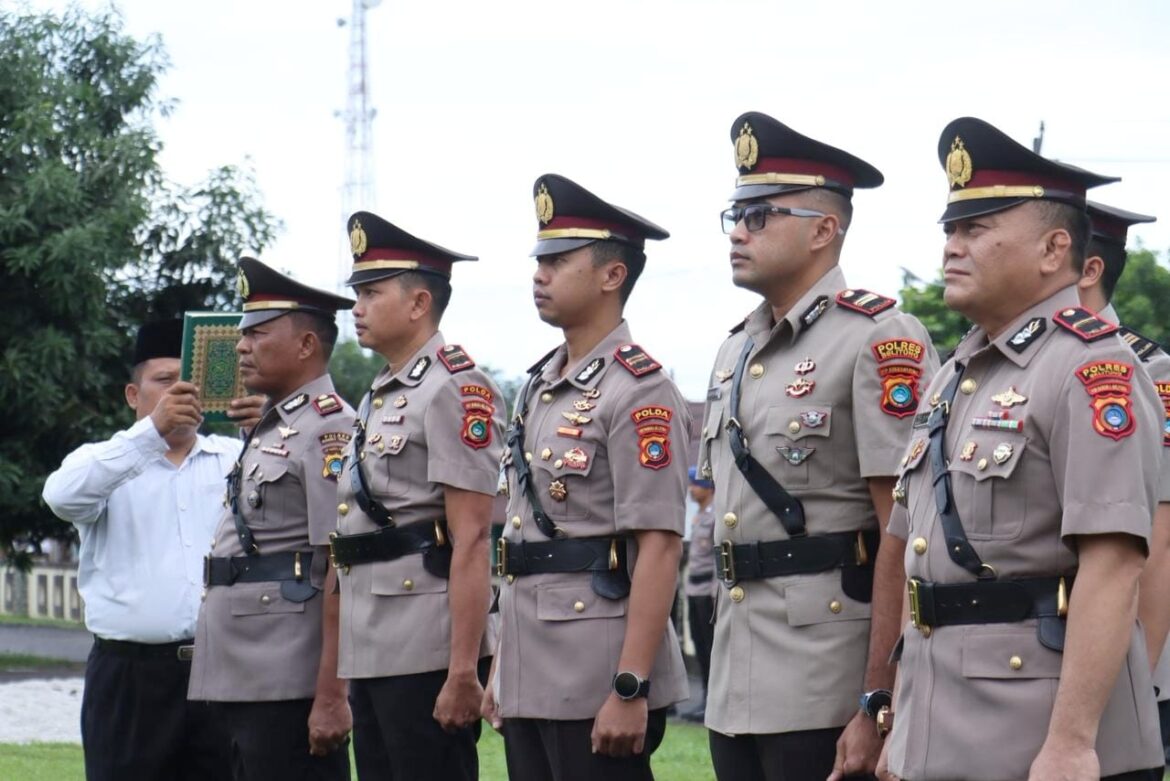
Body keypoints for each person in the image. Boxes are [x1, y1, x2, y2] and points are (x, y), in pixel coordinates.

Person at [880, 117, 1164, 781]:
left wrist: (1072, 742)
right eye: (950, 230)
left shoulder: (1091, 367)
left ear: (1053, 248)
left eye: (975, 229)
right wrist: (898, 718)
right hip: (941, 727)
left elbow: (1114, 563)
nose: (951, 247)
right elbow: (919, 565)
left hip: (1036, 740)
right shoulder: (955, 375)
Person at [700, 111, 938, 781]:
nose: (738, 232)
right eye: (735, 215)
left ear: (823, 229)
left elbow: (902, 531)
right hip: (735, 674)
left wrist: (878, 699)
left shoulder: (878, 336)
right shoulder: (733, 351)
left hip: (826, 680)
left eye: (759, 216)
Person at [481, 173, 691, 781]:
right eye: (538, 261)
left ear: (611, 275)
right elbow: (522, 544)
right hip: (530, 664)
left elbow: (658, 546)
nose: (539, 275)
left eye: (557, 261)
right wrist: (503, 667)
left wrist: (630, 685)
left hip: (596, 668)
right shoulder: (540, 386)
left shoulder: (639, 389)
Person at [42, 319, 262, 781]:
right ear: (132, 395)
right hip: (130, 676)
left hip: (223, 670)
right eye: (164, 381)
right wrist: (152, 433)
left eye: (191, 382)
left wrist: (269, 429)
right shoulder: (104, 462)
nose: (181, 392)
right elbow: (61, 497)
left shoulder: (234, 458)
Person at [328, 211, 505, 780]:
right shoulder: (380, 392)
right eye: (357, 293)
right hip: (372, 638)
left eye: (371, 293)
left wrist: (463, 670)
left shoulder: (455, 386)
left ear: (418, 303)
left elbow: (472, 539)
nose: (356, 307)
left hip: (427, 646)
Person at [188, 258, 356, 781]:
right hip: (241, 666)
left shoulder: (329, 428)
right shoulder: (273, 425)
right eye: (243, 335)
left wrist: (332, 694)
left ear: (306, 344)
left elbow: (340, 566)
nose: (241, 346)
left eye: (257, 333)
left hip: (288, 675)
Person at [1076, 201, 1170, 761]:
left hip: (1129, 666)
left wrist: (1134, 689)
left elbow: (1159, 541)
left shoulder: (1149, 371)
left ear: (1089, 269)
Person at [682, 465, 716, 722]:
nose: (691, 489)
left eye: (695, 484)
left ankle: (712, 702)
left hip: (709, 592)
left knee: (711, 649)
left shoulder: (715, 516)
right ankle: (706, 700)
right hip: (694, 589)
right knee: (701, 647)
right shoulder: (700, 515)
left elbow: (717, 559)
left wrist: (716, 594)